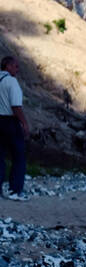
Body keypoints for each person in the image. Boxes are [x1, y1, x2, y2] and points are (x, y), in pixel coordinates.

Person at [0, 54, 30, 201]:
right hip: (9, 121)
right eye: (15, 66)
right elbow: (16, 106)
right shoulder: (11, 82)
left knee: (0, 157)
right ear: (8, 66)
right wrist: (24, 123)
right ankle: (15, 191)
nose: (17, 69)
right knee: (18, 157)